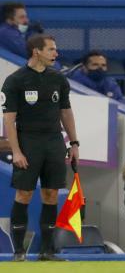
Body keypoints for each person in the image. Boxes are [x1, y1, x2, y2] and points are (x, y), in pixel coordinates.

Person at [1, 34, 79, 261]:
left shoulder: (59, 80)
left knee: (51, 193)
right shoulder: (15, 80)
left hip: (54, 141)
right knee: (24, 194)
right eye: (51, 49)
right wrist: (16, 151)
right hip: (28, 142)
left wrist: (74, 143)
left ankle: (47, 251)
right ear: (37, 51)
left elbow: (66, 112)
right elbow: (9, 120)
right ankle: (18, 251)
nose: (56, 53)